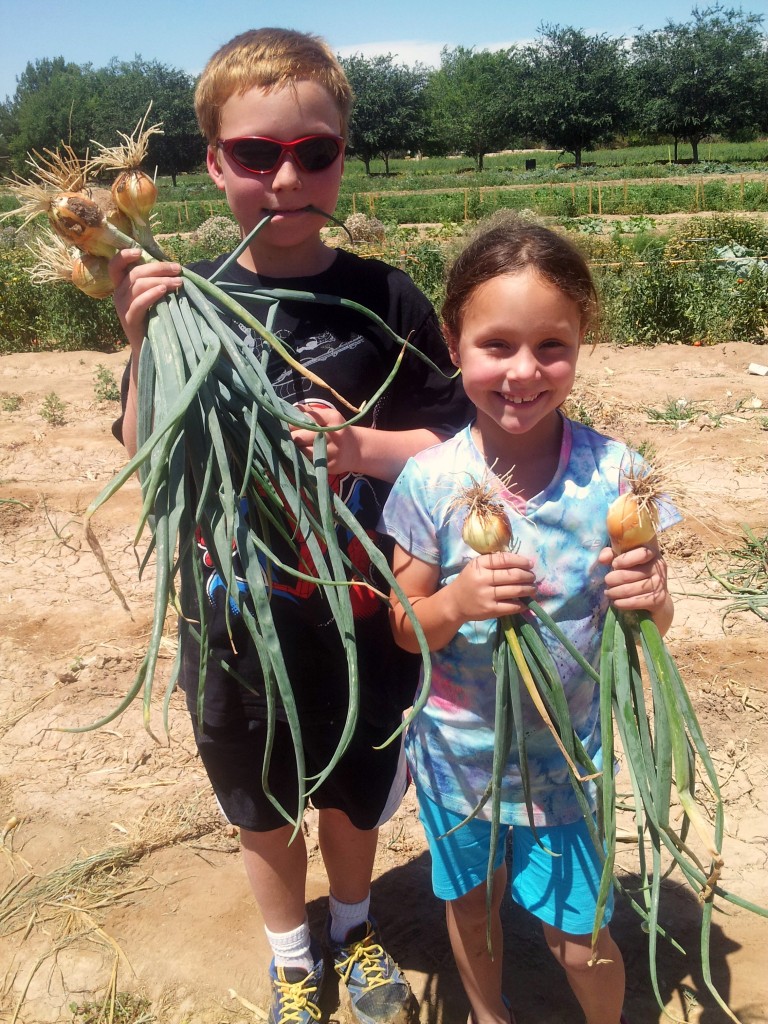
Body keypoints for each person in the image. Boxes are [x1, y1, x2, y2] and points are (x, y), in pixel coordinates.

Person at [109, 27, 470, 1024]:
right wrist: (140, 337)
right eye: (257, 153)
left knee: (352, 788)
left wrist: (356, 447)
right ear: (215, 161)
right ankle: (291, 960)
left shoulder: (383, 297)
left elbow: (451, 443)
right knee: (262, 799)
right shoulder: (187, 297)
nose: (287, 175)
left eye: (315, 152)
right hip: (235, 612)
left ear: (343, 155)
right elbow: (147, 450)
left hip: (361, 607)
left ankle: (352, 931)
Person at [381, 215, 678, 1024]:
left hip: (568, 766)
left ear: (582, 340)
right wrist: (456, 601)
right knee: (473, 911)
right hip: (460, 761)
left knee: (579, 936)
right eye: (497, 345)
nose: (524, 371)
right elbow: (407, 625)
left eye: (552, 346)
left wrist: (650, 602)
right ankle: (488, 1015)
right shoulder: (430, 481)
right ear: (453, 343)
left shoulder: (618, 473)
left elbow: (658, 607)